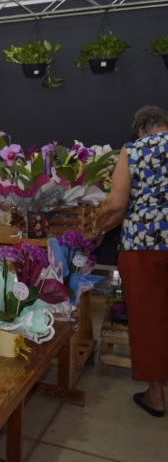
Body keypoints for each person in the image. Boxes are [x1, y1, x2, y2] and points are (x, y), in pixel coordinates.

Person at [87, 105, 168, 418]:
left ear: (141, 129)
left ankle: (157, 395)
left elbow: (117, 203)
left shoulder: (135, 150)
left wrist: (98, 229)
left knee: (148, 318)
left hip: (144, 247)